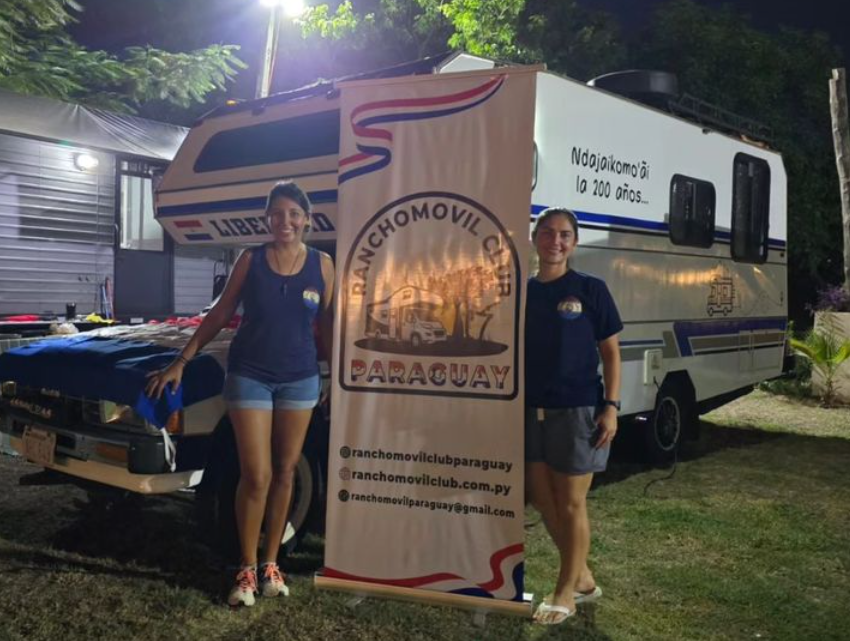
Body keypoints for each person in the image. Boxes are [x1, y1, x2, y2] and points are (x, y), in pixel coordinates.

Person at [146, 181, 334, 607]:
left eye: (293, 214)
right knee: (257, 475)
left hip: (300, 378)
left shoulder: (323, 264)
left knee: (286, 471)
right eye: (276, 213)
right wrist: (182, 360)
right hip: (250, 375)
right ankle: (246, 568)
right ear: (266, 218)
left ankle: (271, 564)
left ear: (307, 219)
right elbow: (220, 313)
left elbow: (327, 322)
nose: (284, 221)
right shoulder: (251, 259)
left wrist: (336, 377)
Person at [524, 207, 622, 625]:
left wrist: (611, 407)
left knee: (570, 502)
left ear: (575, 242)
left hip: (578, 407)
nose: (556, 241)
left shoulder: (590, 289)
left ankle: (565, 592)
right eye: (547, 233)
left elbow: (611, 352)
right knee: (540, 496)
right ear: (535, 239)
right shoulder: (523, 291)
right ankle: (581, 577)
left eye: (564, 234)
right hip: (530, 407)